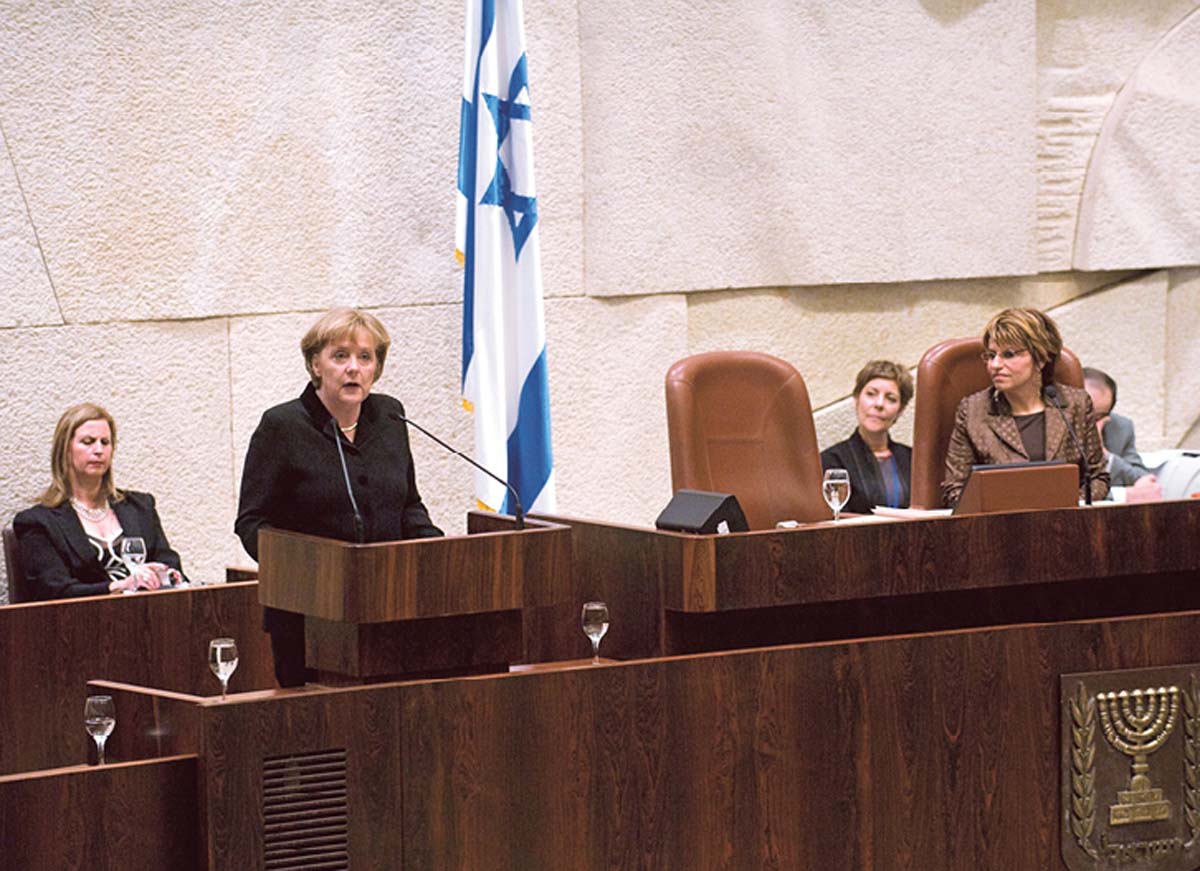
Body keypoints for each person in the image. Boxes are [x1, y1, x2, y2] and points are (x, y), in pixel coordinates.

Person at [236, 307, 443, 687]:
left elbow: (408, 504)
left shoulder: (390, 417)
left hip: (389, 606)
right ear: (316, 364)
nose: (353, 368)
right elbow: (252, 523)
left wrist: (435, 552)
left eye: (365, 357)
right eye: (340, 356)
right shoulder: (281, 427)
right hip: (306, 617)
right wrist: (308, 568)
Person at [13, 403, 186, 599]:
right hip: (82, 623)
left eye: (105, 442)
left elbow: (169, 561)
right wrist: (120, 585)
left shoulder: (140, 506)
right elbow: (54, 590)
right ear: (65, 449)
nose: (98, 450)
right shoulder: (38, 522)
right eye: (88, 442)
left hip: (148, 618)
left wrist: (167, 574)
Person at [941, 308, 1109, 507]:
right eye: (991, 355)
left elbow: (1098, 478)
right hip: (999, 528)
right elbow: (954, 489)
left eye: (1009, 354)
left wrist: (1068, 505)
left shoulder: (1075, 405)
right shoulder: (973, 411)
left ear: (1040, 358)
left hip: (1063, 525)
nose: (995, 364)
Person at [820, 360, 913, 514]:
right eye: (871, 394)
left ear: (900, 410)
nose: (879, 404)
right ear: (857, 398)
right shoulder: (832, 461)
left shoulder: (913, 460)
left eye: (890, 398)